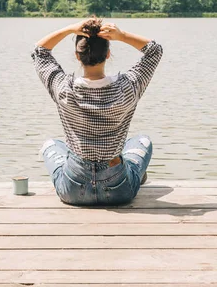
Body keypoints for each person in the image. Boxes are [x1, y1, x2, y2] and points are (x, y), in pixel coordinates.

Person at [31, 17, 163, 206]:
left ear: (78, 56)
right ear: (108, 54)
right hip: (119, 190)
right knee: (143, 141)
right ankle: (130, 172)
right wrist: (122, 35)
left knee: (52, 144)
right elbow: (154, 51)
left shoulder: (64, 89)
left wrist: (70, 29)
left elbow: (39, 52)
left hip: (73, 191)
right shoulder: (127, 87)